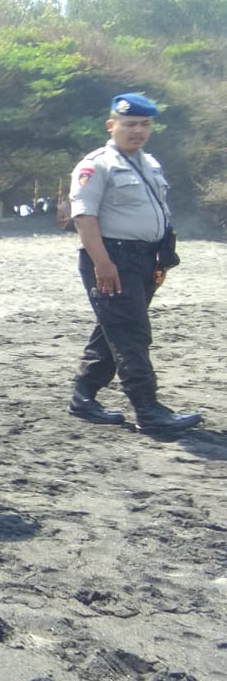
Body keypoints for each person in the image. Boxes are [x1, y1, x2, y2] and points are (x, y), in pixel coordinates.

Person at [66, 92, 201, 433]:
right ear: (111, 125)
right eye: (129, 124)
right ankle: (148, 410)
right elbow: (83, 217)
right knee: (132, 333)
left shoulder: (148, 163)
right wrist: (103, 264)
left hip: (145, 258)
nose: (137, 130)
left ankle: (83, 396)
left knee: (114, 328)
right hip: (112, 257)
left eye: (144, 124)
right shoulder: (96, 165)